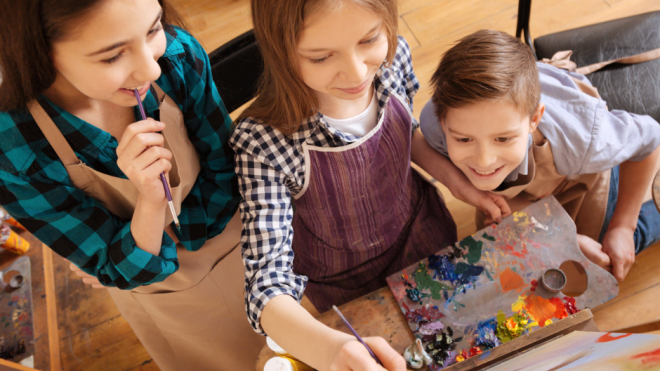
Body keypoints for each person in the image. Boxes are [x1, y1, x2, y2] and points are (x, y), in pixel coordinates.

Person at [0, 0, 264, 370]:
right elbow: (111, 263)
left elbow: (223, 168)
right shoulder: (13, 149)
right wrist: (152, 204)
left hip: (241, 235)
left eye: (153, 28)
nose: (150, 68)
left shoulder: (178, 56)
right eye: (111, 57)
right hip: (158, 292)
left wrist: (157, 246)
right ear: (38, 51)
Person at [228, 0, 489, 369]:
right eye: (321, 57)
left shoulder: (394, 59)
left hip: (421, 233)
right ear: (280, 50)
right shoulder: (263, 141)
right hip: (344, 282)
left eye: (369, 40)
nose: (355, 73)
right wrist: (331, 349)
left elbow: (406, 135)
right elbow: (266, 285)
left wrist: (459, 184)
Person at [420, 29, 660, 283]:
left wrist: (624, 226)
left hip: (579, 180)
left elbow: (650, 139)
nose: (484, 161)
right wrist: (551, 234)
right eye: (464, 140)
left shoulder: (583, 141)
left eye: (503, 139)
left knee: (600, 256)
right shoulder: (435, 123)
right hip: (526, 193)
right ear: (443, 123)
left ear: (534, 119)